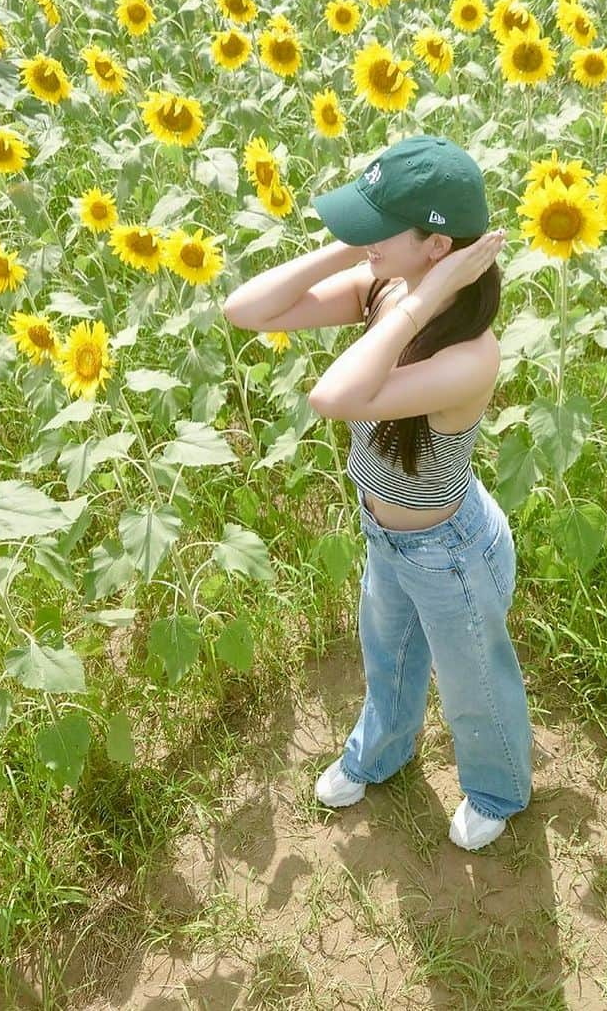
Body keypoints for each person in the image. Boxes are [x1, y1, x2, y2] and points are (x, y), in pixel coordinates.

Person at [223, 135, 533, 851]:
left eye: (377, 222)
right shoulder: (385, 287)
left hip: (448, 550)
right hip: (386, 534)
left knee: (474, 685)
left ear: (436, 246)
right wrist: (357, 252)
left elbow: (336, 395)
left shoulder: (469, 355)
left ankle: (498, 789)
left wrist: (421, 301)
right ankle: (382, 752)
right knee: (386, 658)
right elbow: (247, 309)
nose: (361, 234)